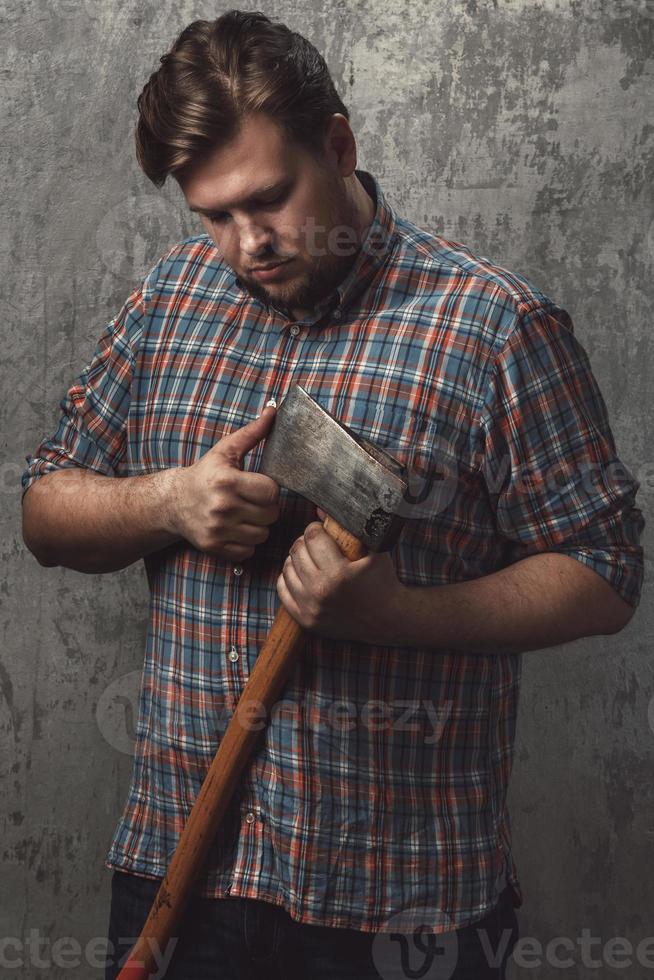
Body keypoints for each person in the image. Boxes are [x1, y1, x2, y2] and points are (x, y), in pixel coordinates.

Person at [20, 10, 644, 980]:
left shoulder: (494, 325)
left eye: (268, 200)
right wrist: (167, 501)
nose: (247, 244)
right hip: (178, 872)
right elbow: (44, 509)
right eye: (214, 215)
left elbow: (605, 572)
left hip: (402, 905)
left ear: (340, 144)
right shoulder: (166, 299)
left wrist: (397, 613)